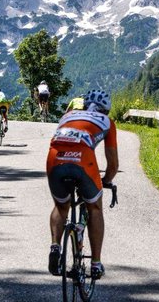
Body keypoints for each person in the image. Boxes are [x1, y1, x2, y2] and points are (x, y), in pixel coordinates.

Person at [46, 89, 118, 280]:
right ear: (106, 110)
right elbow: (113, 163)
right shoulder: (107, 122)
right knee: (94, 208)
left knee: (61, 207)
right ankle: (95, 264)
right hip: (83, 162)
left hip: (55, 159)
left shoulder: (67, 115)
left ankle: (55, 246)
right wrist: (107, 181)